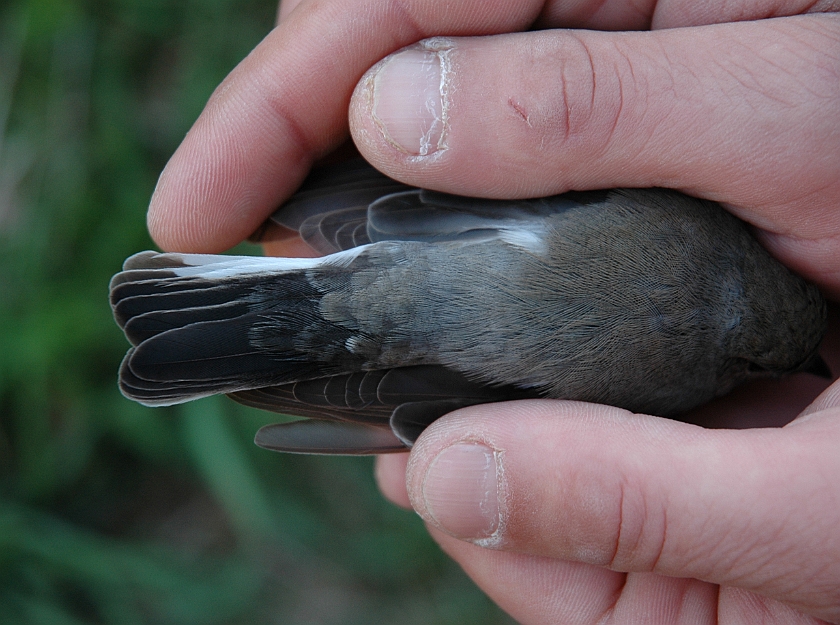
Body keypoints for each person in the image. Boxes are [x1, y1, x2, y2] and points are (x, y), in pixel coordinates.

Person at [145, 1, 840, 622]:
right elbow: (498, 401)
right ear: (742, 356)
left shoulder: (698, 229)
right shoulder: (681, 385)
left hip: (415, 235)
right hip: (436, 351)